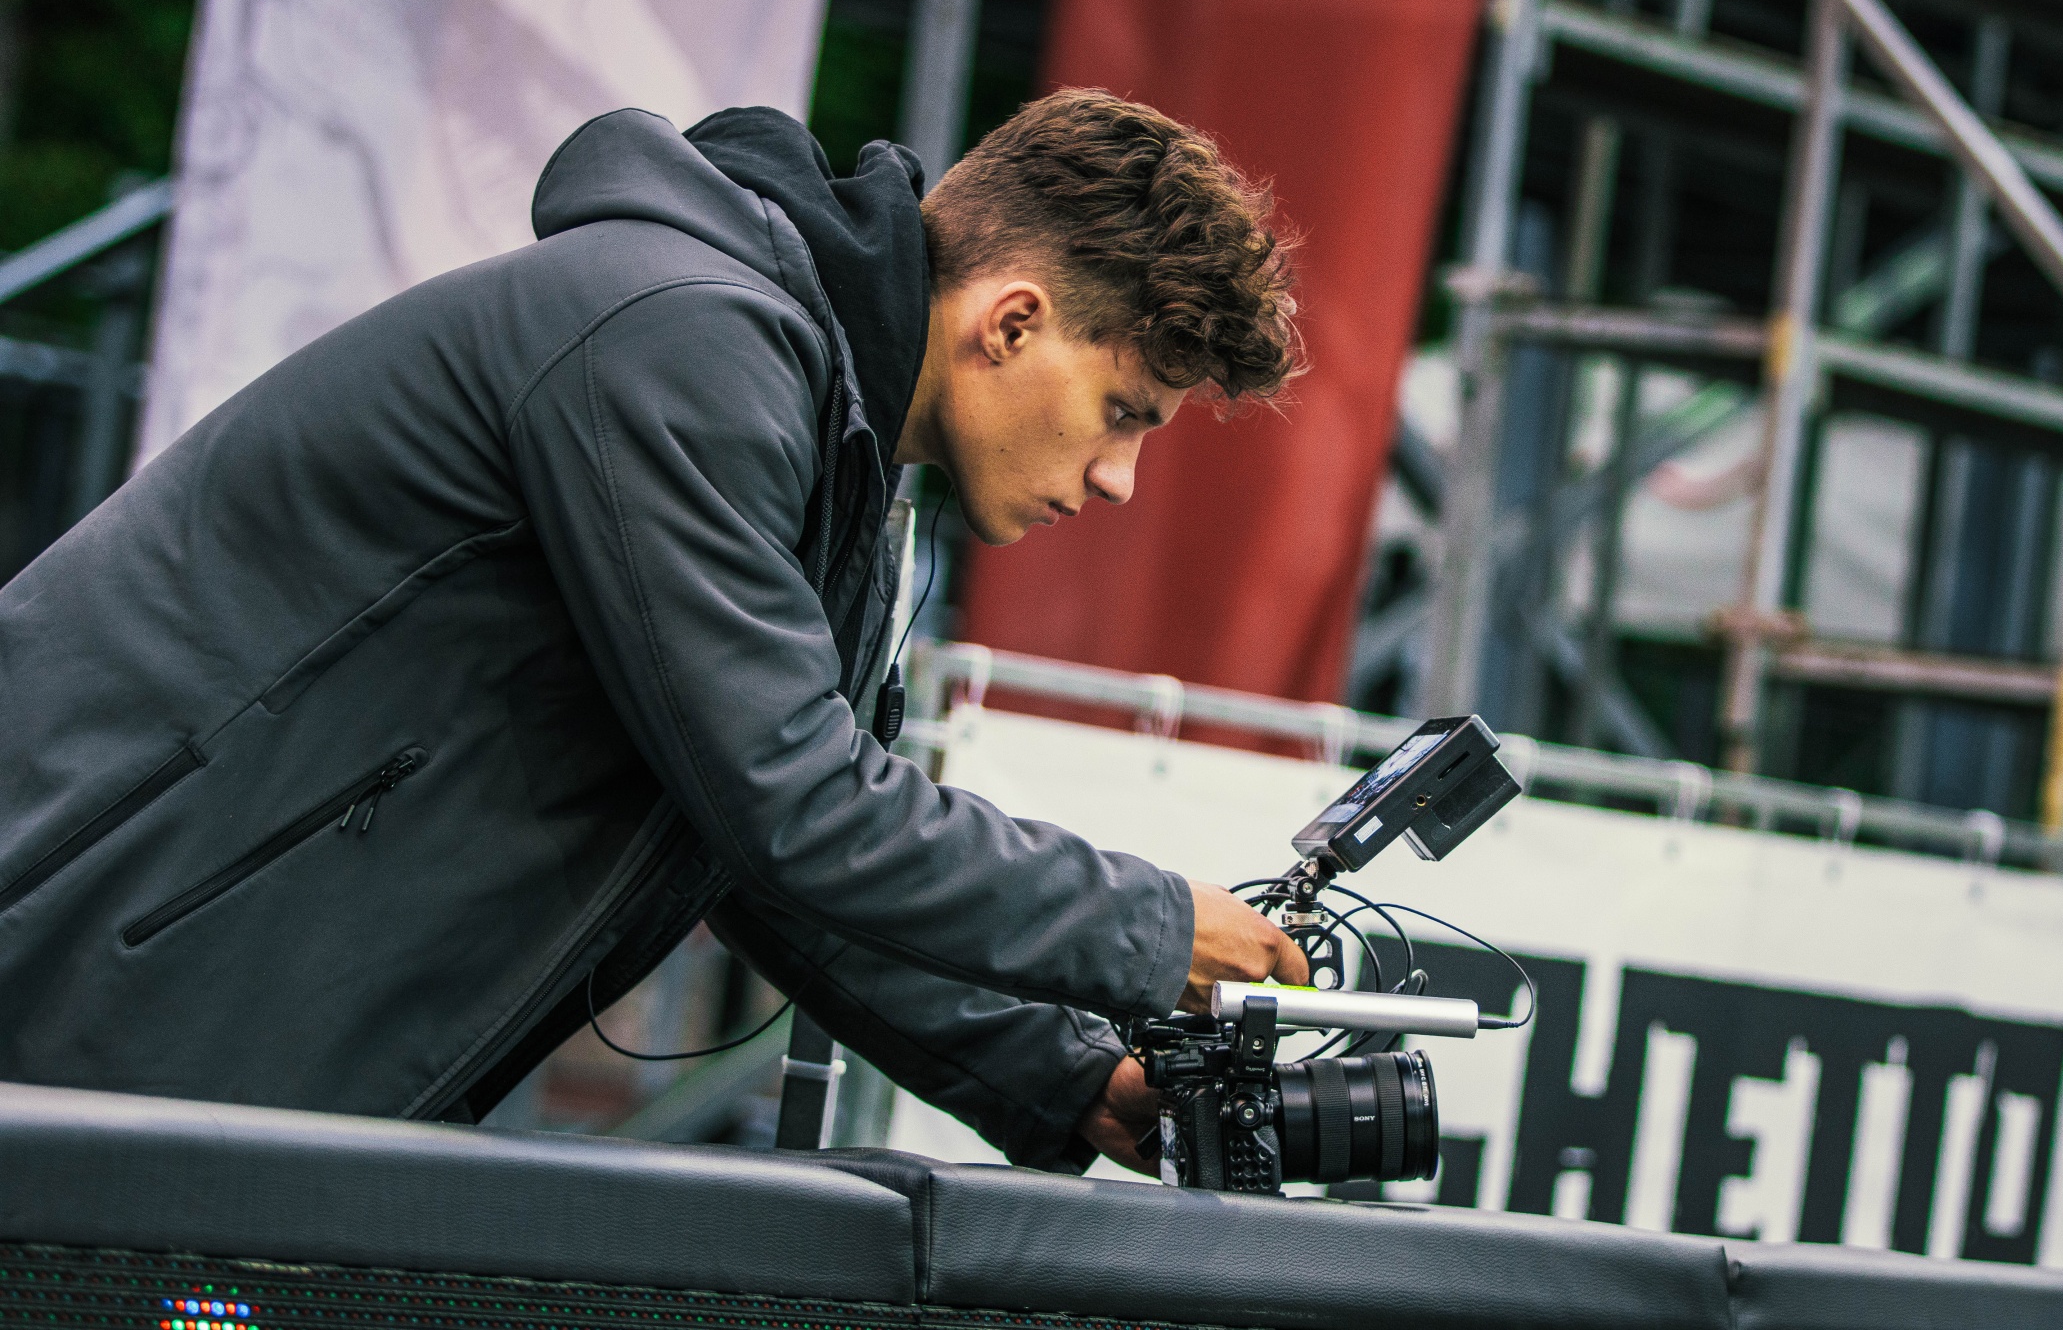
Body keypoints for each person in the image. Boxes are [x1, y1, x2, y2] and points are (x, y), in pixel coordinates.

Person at [0, 89, 1309, 1174]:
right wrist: (1150, 931)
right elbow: (793, 803)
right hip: (71, 999)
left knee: (194, 1312)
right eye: (1126, 412)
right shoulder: (686, 342)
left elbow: (770, 861)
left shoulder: (828, 461)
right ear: (1012, 320)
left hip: (188, 1074)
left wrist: (1068, 1079)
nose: (1118, 479)